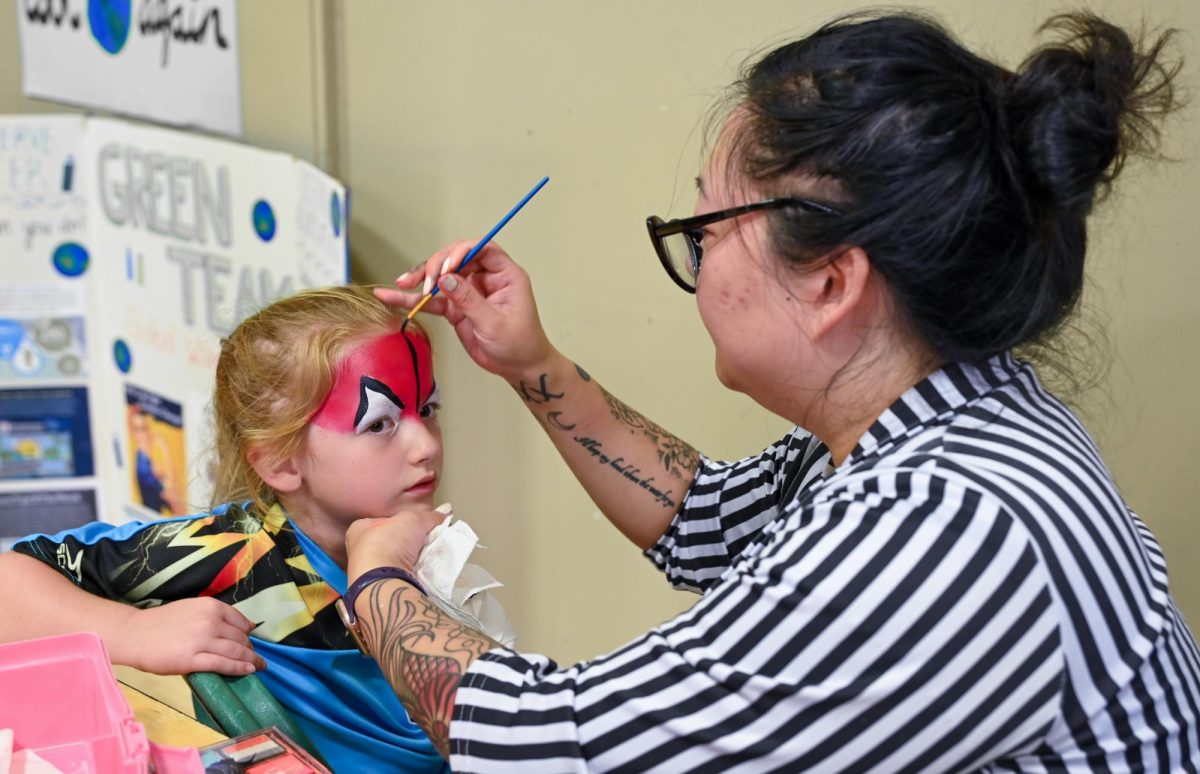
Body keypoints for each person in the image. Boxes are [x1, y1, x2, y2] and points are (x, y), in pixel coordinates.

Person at [348, 10, 1200, 772]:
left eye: (705, 231)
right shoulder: (942, 412)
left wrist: (382, 578)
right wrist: (533, 364)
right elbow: (704, 519)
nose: (699, 264)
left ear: (833, 282)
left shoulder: (946, 529)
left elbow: (562, 751)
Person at [0, 285, 452, 773]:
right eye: (380, 424)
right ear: (281, 462)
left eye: (427, 409)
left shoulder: (434, 549)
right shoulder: (236, 553)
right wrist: (132, 631)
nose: (424, 444)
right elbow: (9, 585)